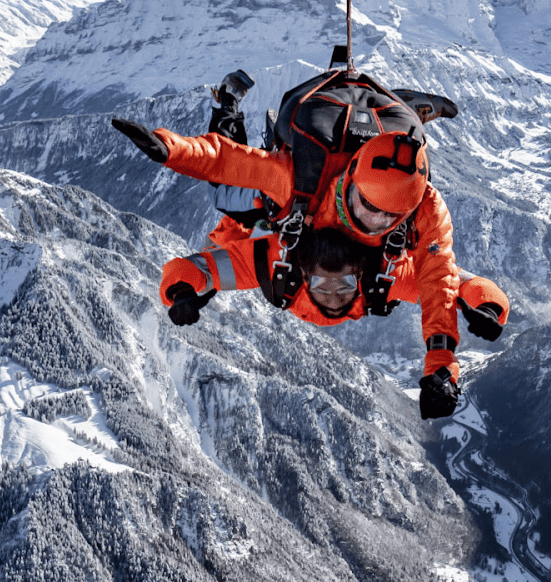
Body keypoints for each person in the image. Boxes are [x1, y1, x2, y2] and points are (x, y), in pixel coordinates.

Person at [113, 115, 468, 418]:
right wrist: (172, 150)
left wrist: (440, 362)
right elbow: (231, 161)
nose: (375, 220)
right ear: (353, 181)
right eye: (368, 205)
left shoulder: (424, 209)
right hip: (287, 204)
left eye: (391, 216)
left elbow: (440, 279)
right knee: (232, 199)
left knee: (236, 208)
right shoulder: (303, 181)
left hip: (303, 229)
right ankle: (226, 111)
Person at [160, 226, 510, 338]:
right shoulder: (271, 262)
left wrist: (484, 305)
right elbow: (200, 266)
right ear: (303, 276)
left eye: (342, 285)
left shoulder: (385, 275)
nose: (332, 297)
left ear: (360, 276)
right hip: (267, 236)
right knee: (232, 228)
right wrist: (183, 291)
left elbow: (460, 280)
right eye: (323, 285)